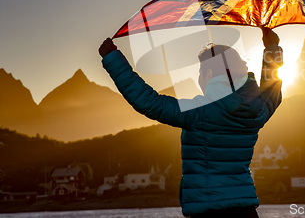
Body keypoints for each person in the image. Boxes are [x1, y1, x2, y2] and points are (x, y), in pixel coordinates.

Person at [98, 27, 283, 218]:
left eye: (201, 73)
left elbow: (148, 102)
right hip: (246, 212)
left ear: (209, 74)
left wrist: (112, 57)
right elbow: (272, 91)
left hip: (208, 213)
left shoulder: (200, 111)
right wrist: (272, 48)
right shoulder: (258, 109)